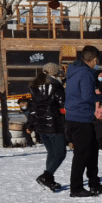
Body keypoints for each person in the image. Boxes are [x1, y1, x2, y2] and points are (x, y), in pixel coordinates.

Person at [63, 45, 102, 197]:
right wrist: (100, 97)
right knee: (82, 154)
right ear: (94, 59)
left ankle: (94, 181)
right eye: (97, 60)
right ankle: (76, 188)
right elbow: (87, 96)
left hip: (74, 116)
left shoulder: (73, 72)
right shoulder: (86, 73)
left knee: (93, 149)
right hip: (81, 117)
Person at [28, 62, 66, 192]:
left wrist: (31, 124)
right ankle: (46, 176)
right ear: (55, 73)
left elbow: (33, 108)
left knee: (52, 152)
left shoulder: (34, 86)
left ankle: (49, 179)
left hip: (41, 125)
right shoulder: (56, 85)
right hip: (54, 124)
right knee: (60, 153)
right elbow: (63, 106)